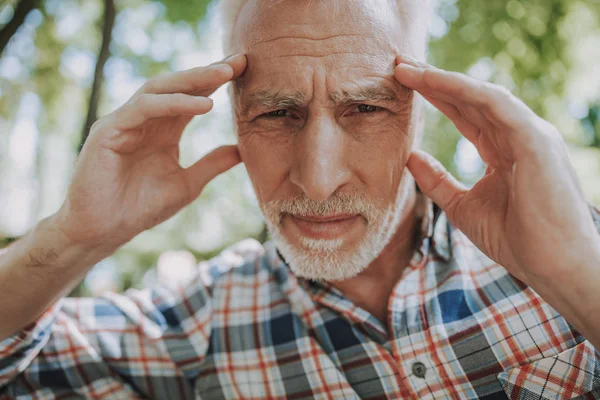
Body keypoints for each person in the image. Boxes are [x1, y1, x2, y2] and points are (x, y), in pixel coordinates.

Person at [1, 0, 600, 398]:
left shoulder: (574, 250)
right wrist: (72, 238)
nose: (317, 181)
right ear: (234, 119)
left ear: (425, 106)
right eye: (277, 112)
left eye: (364, 107)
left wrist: (579, 283)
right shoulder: (201, 328)